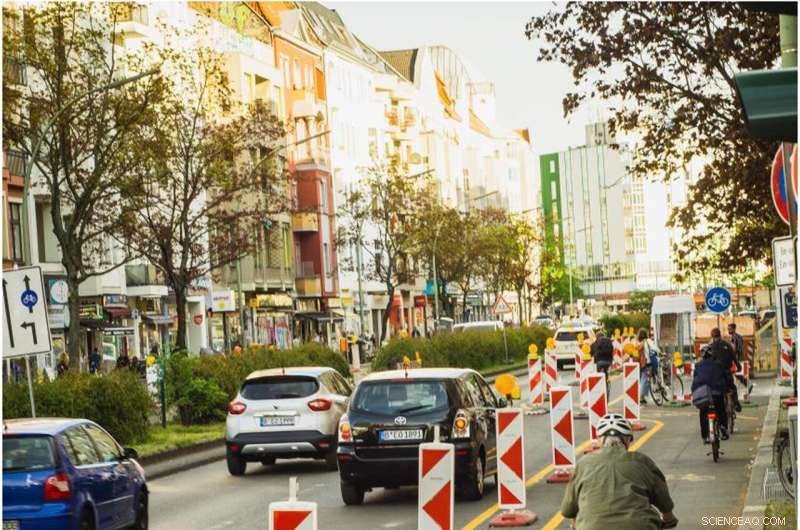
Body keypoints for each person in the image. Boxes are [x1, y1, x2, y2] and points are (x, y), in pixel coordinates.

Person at [560, 413, 677, 530]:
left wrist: (576, 523)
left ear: (599, 439)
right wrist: (669, 519)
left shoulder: (584, 463)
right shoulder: (642, 461)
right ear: (628, 439)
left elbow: (568, 510)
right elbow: (663, 500)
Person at [692, 346, 729, 442]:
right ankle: (723, 428)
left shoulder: (698, 366)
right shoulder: (718, 364)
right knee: (721, 409)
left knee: (703, 413)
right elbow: (725, 377)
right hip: (717, 393)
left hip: (703, 394)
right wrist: (727, 388)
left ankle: (705, 436)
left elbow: (695, 380)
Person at [708, 328, 741, 412]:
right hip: (727, 372)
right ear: (720, 335)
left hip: (716, 375)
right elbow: (734, 357)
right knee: (732, 388)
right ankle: (736, 403)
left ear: (712, 337)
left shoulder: (710, 347)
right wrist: (739, 367)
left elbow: (707, 360)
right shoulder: (727, 345)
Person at [728, 323, 752, 394]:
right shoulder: (739, 336)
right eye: (728, 329)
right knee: (737, 373)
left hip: (736, 358)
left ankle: (747, 384)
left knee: (734, 373)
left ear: (734, 329)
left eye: (730, 329)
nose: (728, 330)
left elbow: (734, 348)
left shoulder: (733, 337)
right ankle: (747, 384)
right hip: (740, 357)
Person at [590, 330, 614, 397]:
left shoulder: (594, 344)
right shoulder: (609, 342)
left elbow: (590, 355)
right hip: (608, 363)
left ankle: (598, 389)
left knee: (597, 375)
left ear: (596, 337)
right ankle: (607, 384)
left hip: (599, 363)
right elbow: (612, 352)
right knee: (606, 372)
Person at [636, 328, 653, 404]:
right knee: (644, 380)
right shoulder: (646, 342)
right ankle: (641, 397)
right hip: (645, 363)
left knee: (642, 379)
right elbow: (653, 349)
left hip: (638, 363)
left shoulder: (637, 343)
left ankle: (642, 397)